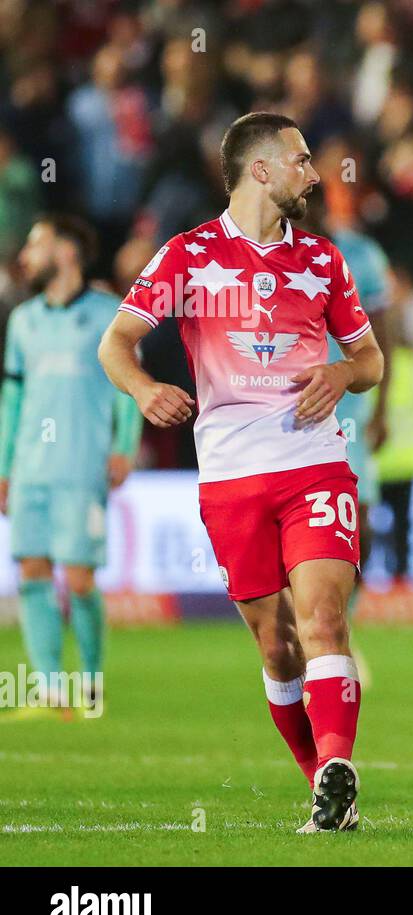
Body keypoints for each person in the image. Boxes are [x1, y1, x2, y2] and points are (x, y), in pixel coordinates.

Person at [97, 112, 384, 832]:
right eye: (302, 161)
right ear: (260, 170)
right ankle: (322, 784)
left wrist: (343, 371)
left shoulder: (322, 260)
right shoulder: (187, 256)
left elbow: (372, 361)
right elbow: (117, 342)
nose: (315, 175)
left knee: (323, 617)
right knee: (277, 643)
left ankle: (341, 764)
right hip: (229, 479)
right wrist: (143, 389)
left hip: (314, 466)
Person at [0, 215, 140, 716]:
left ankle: (92, 679)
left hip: (83, 466)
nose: (26, 257)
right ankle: (48, 683)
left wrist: (125, 444)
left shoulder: (109, 314)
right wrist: (4, 464)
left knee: (79, 578)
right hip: (31, 469)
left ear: (66, 252)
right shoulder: (24, 320)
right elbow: (12, 398)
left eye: (36, 245)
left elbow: (129, 389)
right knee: (33, 569)